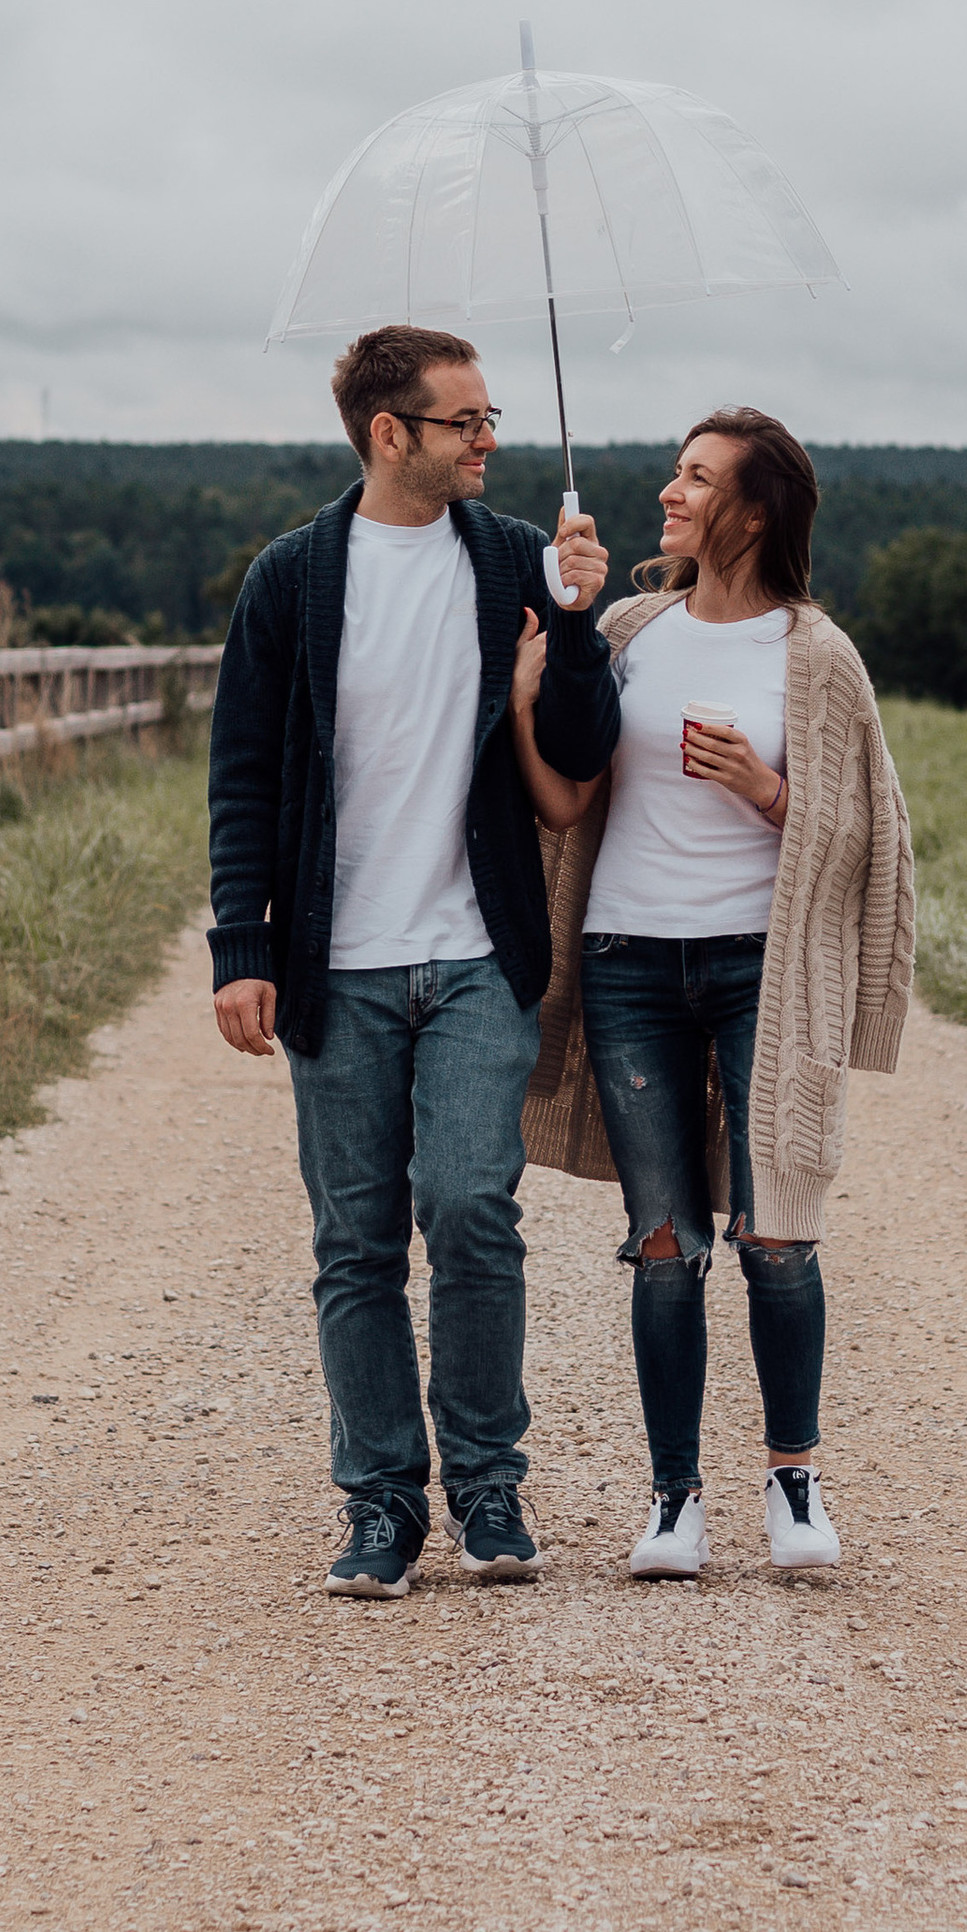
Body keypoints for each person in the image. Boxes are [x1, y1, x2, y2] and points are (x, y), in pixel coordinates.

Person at [207, 323, 617, 1597]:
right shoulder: (290, 579)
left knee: (469, 1205)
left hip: (478, 952)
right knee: (357, 1244)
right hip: (339, 967)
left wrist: (582, 618)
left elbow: (585, 747)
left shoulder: (514, 564)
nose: (488, 441)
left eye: (493, 421)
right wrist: (240, 945)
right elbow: (244, 777)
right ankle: (381, 1504)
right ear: (392, 436)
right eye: (466, 424)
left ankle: (489, 1488)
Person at [511, 407, 914, 1581]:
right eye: (676, 476)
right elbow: (573, 781)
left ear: (752, 510)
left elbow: (874, 833)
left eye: (695, 480)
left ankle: (793, 1481)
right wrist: (546, 672)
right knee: (660, 1240)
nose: (670, 496)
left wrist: (768, 791)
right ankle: (673, 1499)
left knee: (777, 1232)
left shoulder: (816, 655)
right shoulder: (633, 628)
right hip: (630, 964)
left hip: (758, 971)